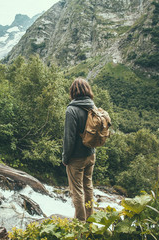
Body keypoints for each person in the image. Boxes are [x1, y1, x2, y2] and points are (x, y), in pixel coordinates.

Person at [62, 77, 96, 222]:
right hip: (91, 154)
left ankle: (80, 224)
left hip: (76, 158)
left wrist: (65, 158)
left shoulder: (72, 110)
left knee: (77, 191)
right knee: (88, 187)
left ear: (72, 91)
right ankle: (90, 220)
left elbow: (68, 138)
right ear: (87, 90)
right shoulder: (92, 107)